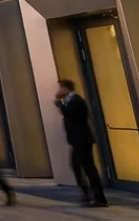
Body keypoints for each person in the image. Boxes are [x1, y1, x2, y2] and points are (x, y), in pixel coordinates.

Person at [55, 79, 108, 207]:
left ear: (66, 88)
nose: (59, 90)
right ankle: (88, 194)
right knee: (77, 166)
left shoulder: (76, 101)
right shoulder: (70, 101)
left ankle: (99, 197)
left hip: (82, 140)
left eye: (61, 87)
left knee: (88, 167)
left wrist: (59, 103)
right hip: (77, 140)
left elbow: (68, 113)